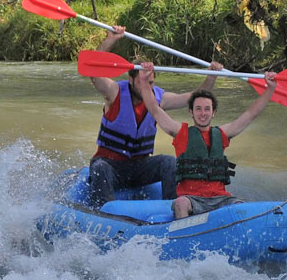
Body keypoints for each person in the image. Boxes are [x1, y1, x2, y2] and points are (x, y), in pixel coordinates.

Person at [86, 26, 219, 206]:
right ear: (131, 80)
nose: (147, 87)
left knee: (169, 162)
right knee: (99, 167)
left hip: (140, 168)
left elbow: (191, 98)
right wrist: (112, 39)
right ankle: (103, 212)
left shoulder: (158, 98)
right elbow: (93, 70)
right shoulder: (114, 92)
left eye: (150, 82)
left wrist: (211, 77)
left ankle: (174, 209)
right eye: (142, 82)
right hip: (110, 166)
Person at [136, 66, 278, 218]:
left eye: (206, 109)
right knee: (180, 203)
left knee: (243, 207)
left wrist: (270, 89)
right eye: (198, 109)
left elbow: (250, 114)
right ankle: (183, 236)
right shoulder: (181, 133)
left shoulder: (223, 134)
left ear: (213, 112)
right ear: (191, 112)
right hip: (192, 199)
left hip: (220, 199)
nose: (202, 114)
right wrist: (144, 82)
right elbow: (155, 110)